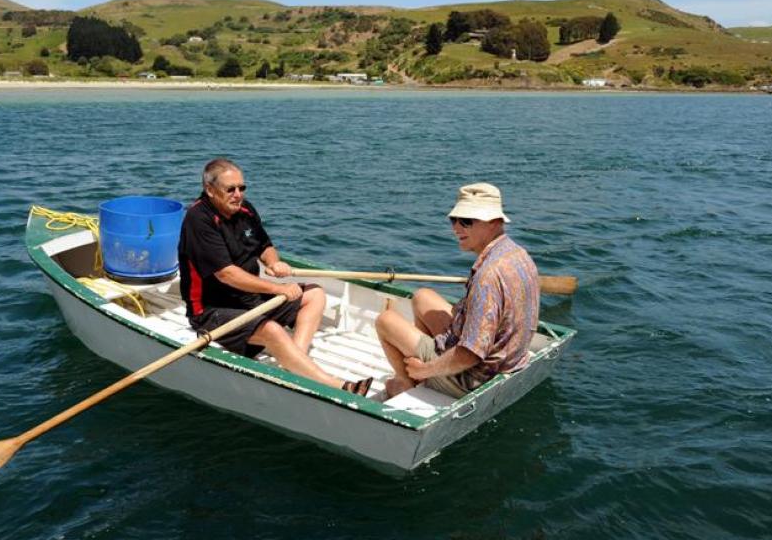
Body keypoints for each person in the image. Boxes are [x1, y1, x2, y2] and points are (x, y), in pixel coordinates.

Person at [178, 158, 371, 396]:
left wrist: (274, 262)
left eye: (242, 188)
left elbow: (264, 246)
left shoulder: (245, 210)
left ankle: (295, 363)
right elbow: (227, 274)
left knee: (315, 294)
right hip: (210, 310)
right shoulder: (198, 219)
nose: (238, 194)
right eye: (231, 189)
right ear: (210, 190)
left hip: (250, 300)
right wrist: (277, 289)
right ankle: (340, 387)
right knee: (273, 331)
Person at [375, 182, 539, 399]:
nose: (456, 228)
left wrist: (425, 369)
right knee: (422, 297)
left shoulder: (487, 277)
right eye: (454, 220)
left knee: (386, 320)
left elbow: (470, 354)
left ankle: (408, 381)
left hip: (474, 377)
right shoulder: (518, 254)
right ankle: (426, 367)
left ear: (494, 223)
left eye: (466, 221)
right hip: (507, 356)